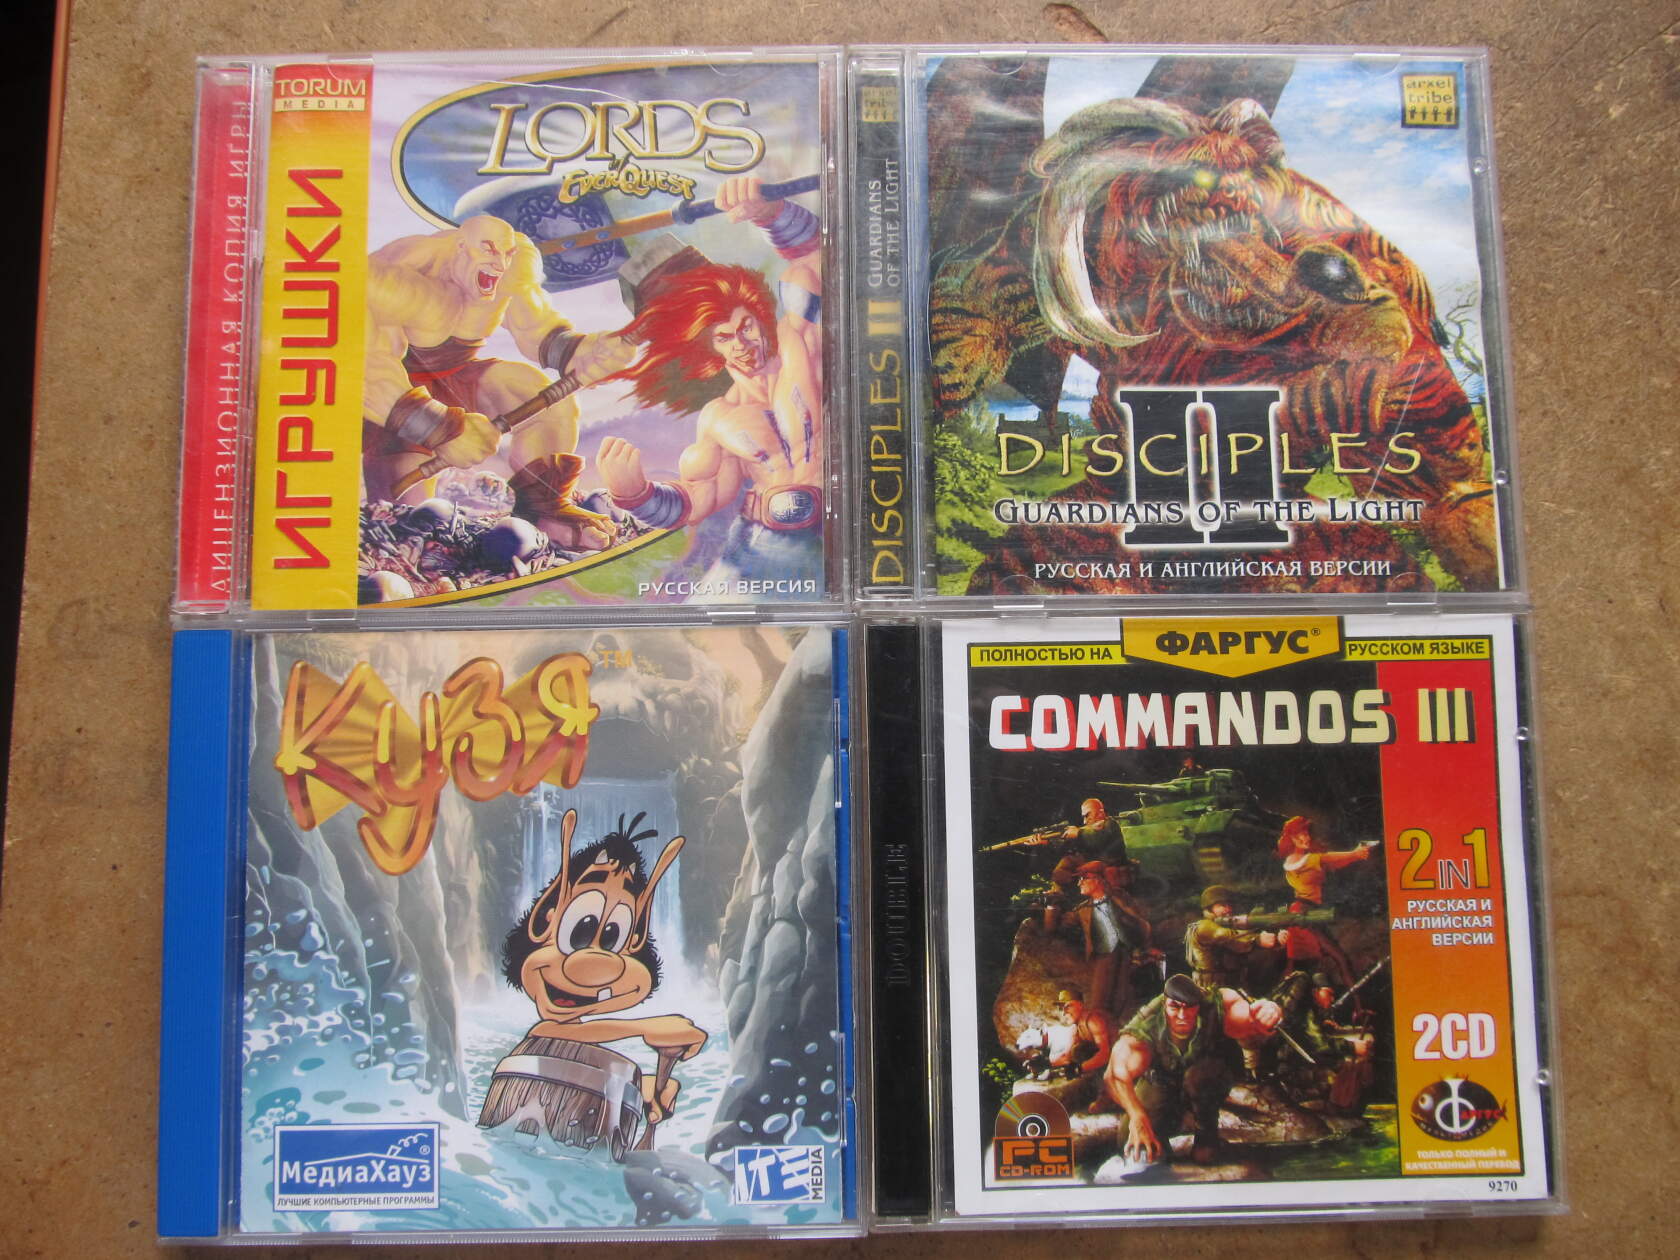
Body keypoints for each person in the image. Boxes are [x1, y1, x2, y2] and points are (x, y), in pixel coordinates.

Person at [597, 174, 824, 590]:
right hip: (763, 550)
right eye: (723, 337)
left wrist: (773, 214)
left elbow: (817, 263)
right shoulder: (719, 417)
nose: (742, 344)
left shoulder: (800, 342)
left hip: (850, 535)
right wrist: (636, 496)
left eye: (745, 327)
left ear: (756, 313)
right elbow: (699, 497)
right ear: (705, 348)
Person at [362, 214, 636, 541]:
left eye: (506, 253)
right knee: (410, 521)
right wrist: (438, 428)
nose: (499, 262)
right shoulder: (397, 278)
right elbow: (365, 368)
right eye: (489, 250)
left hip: (457, 377)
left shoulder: (510, 269)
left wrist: (586, 351)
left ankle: (545, 508)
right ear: (460, 248)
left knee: (545, 400)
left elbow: (538, 330)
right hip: (392, 401)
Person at [1103, 973, 1282, 1164]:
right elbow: (1114, 1075)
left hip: (1207, 1075)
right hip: (1164, 1080)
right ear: (1164, 1004)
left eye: (1189, 1007)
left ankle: (1206, 1137)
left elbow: (1248, 1019)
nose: (1182, 1016)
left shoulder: (1215, 1004)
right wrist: (1137, 1117)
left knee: (1199, 1078)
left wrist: (1267, 1012)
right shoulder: (1147, 1024)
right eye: (1175, 1007)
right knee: (1132, 1144)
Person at [1075, 860, 1151, 1018]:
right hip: (1104, 958)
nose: (1079, 883)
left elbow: (1140, 921)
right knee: (1100, 1003)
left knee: (1129, 1000)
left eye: (1083, 878)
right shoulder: (1082, 910)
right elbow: (1055, 927)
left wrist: (1143, 947)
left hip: (1130, 955)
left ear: (1097, 880)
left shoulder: (1120, 898)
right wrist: (1051, 907)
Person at [1184, 885, 1278, 991]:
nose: (1228, 909)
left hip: (1233, 986)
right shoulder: (1204, 926)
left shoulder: (1224, 924)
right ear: (1209, 908)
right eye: (1222, 905)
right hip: (1212, 989)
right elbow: (1229, 937)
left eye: (1229, 905)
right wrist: (1257, 940)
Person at [1049, 987, 1115, 1080]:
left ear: (1080, 1005)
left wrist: (1079, 1069)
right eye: (1061, 1008)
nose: (1064, 1012)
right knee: (1076, 1051)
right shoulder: (1075, 1028)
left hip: (1116, 1062)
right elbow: (1067, 1056)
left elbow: (1105, 1054)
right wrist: (1047, 1063)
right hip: (1100, 1066)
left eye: (1068, 1006)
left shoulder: (1093, 1021)